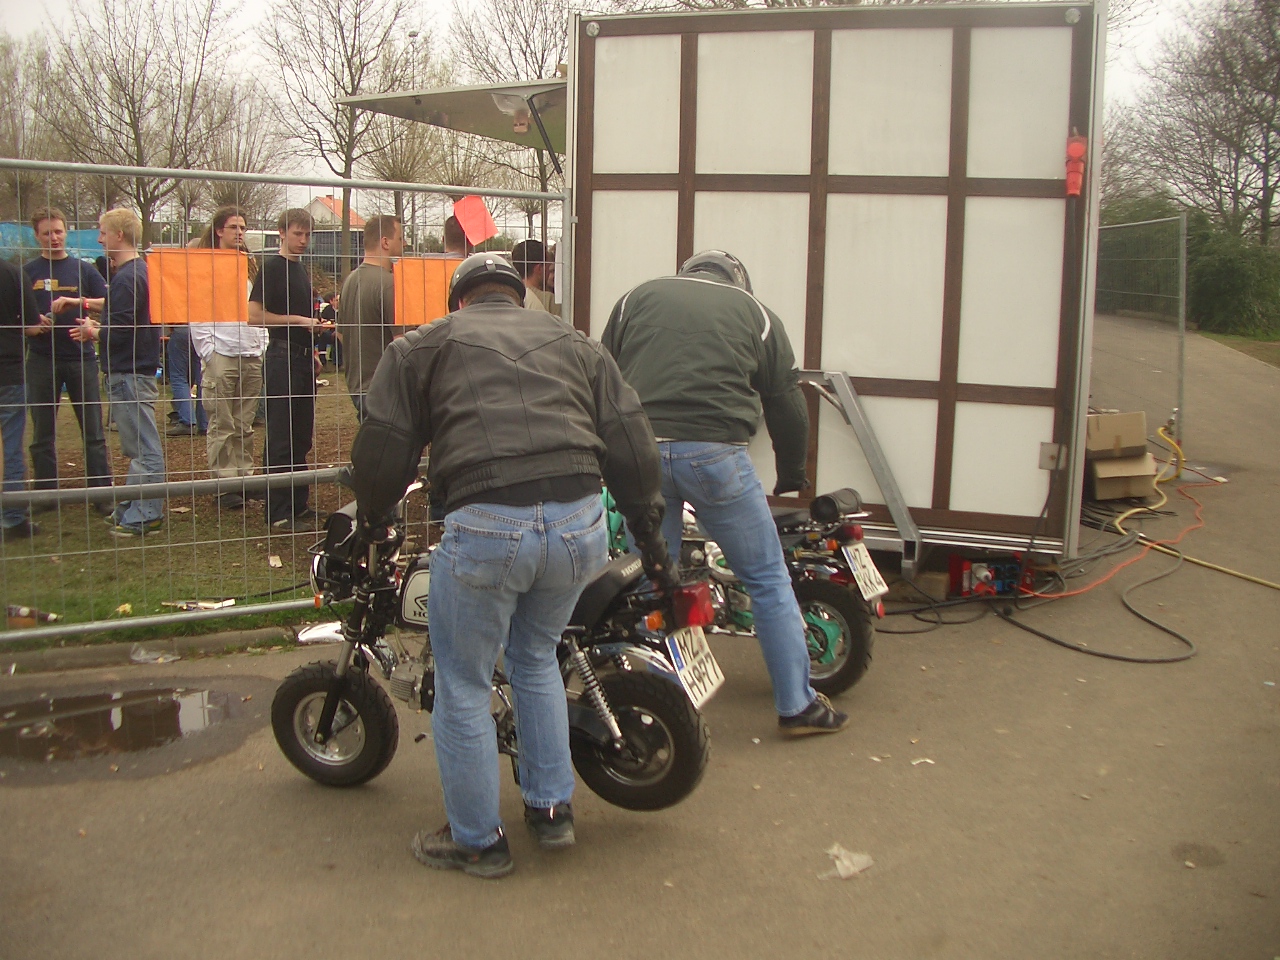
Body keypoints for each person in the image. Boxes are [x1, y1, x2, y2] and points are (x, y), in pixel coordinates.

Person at [348, 253, 671, 879]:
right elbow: (632, 442)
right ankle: (551, 811)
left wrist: (370, 519)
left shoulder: (422, 346)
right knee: (537, 656)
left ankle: (477, 842)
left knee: (465, 683)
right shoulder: (577, 343)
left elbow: (385, 449)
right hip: (579, 525)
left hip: (488, 523)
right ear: (517, 296)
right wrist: (651, 538)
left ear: (459, 299)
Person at [601, 249, 849, 737]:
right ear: (738, 280)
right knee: (767, 578)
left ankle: (656, 708)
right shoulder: (756, 313)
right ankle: (797, 705)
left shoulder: (635, 299)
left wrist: (603, 451)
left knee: (651, 583)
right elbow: (786, 403)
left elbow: (601, 377)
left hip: (641, 454)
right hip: (714, 457)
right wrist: (792, 472)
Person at [60, 208, 165, 536]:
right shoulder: (138, 272)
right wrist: (85, 305)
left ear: (119, 235)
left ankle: (147, 514)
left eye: (103, 232)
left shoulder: (127, 277)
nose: (99, 239)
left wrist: (92, 332)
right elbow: (123, 311)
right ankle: (131, 506)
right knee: (136, 445)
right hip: (133, 369)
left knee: (143, 447)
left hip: (128, 371)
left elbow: (120, 329)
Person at [21, 206, 113, 510]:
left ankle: (100, 496)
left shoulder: (83, 270)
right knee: (42, 434)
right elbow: (13, 312)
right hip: (41, 360)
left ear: (66, 232)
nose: (54, 238)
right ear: (36, 236)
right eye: (47, 233)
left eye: (58, 231)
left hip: (80, 359)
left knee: (93, 433)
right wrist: (31, 322)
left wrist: (85, 309)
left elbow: (109, 302)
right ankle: (46, 496)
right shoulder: (27, 272)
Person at [249, 208, 329, 532]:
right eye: (297, 233)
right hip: (281, 358)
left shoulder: (300, 270)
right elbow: (254, 315)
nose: (303, 240)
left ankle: (298, 504)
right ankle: (278, 511)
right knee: (282, 436)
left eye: (307, 234)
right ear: (281, 233)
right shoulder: (272, 268)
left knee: (301, 436)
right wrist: (298, 321)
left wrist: (314, 348)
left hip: (303, 358)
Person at [190, 206, 269, 510]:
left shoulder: (249, 265)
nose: (239, 233)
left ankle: (245, 479)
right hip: (221, 353)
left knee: (244, 424)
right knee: (222, 423)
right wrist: (209, 352)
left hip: (250, 353)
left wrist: (261, 344)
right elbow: (196, 313)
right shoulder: (205, 267)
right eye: (234, 227)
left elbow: (258, 307)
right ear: (219, 230)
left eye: (243, 228)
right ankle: (225, 485)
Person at [336, 214, 402, 421]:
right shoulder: (390, 284)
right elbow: (402, 342)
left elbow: (340, 334)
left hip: (358, 386)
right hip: (385, 389)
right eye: (400, 238)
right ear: (385, 242)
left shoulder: (350, 281)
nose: (404, 244)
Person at [0, 258, 41, 538]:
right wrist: (40, 323)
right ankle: (12, 518)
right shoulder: (14, 274)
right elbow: (31, 325)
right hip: (9, 373)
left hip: (10, 372)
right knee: (11, 446)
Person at [164, 322, 207, 436]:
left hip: (181, 330)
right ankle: (204, 423)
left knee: (178, 377)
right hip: (202, 332)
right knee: (202, 378)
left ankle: (187, 422)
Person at [510, 239, 557, 316]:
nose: (549, 272)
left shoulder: (510, 296)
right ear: (539, 269)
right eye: (548, 267)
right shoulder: (550, 301)